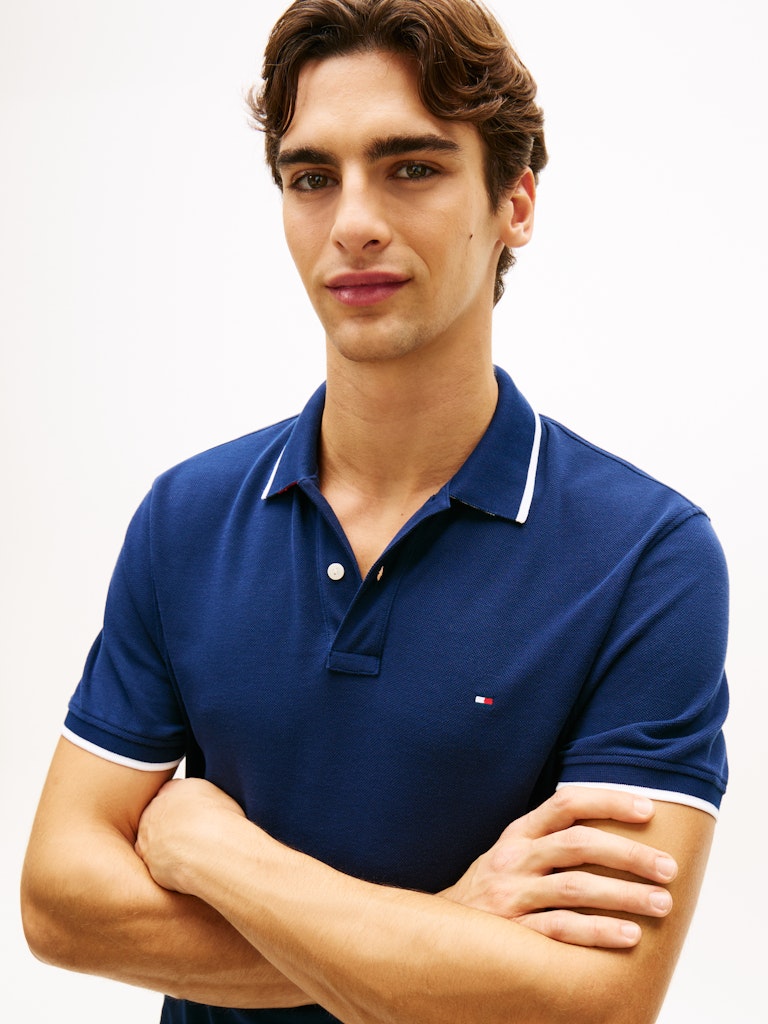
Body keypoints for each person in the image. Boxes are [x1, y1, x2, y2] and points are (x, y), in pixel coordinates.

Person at [21, 1, 729, 1022]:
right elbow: (57, 905)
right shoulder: (186, 518)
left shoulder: (650, 558)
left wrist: (211, 848)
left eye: (412, 167)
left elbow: (600, 1000)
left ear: (516, 201)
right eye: (313, 176)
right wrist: (446, 929)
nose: (352, 219)